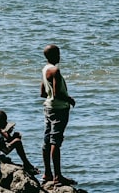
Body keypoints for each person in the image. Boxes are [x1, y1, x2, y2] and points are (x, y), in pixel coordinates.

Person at [40, 44, 76, 186]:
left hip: (48, 108)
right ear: (55, 56)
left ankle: (47, 173)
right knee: (56, 141)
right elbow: (57, 93)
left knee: (47, 140)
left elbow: (43, 93)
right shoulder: (55, 71)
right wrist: (69, 99)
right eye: (58, 54)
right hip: (59, 109)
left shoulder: (45, 69)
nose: (60, 56)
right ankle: (57, 176)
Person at [0, 109, 38, 175]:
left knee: (15, 139)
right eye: (3, 121)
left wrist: (9, 136)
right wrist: (11, 140)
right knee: (17, 142)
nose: (5, 123)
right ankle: (26, 164)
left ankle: (26, 163)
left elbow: (1, 134)